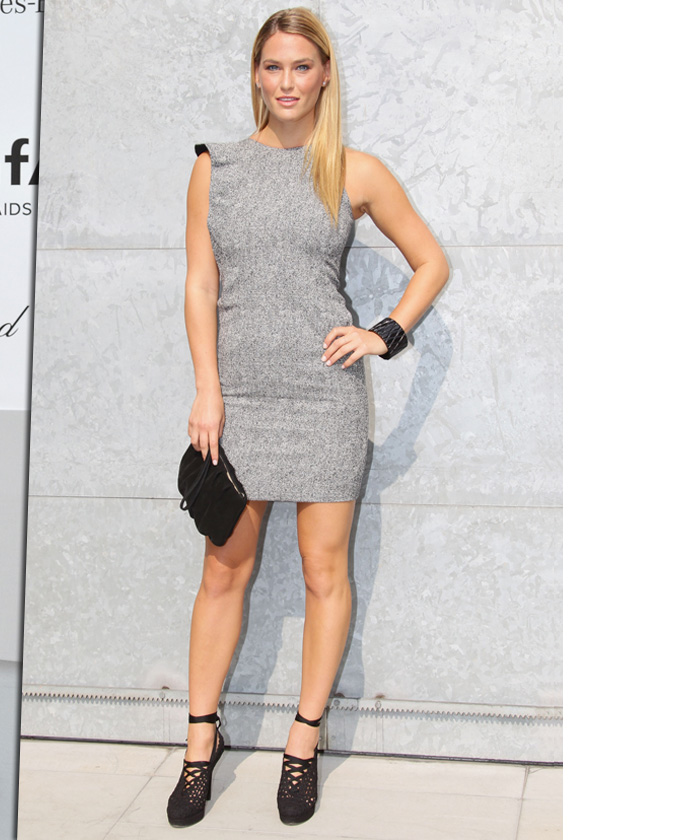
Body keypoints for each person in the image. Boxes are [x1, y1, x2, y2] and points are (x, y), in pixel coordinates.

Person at [166, 6, 448, 829]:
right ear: (256, 76)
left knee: (326, 573)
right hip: (238, 401)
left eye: (301, 67)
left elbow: (431, 263)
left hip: (325, 399)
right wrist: (207, 389)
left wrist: (383, 334)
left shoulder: (355, 171)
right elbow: (200, 284)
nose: (286, 82)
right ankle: (200, 742)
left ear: (324, 76)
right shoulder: (215, 168)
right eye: (273, 67)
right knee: (224, 570)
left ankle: (302, 742)